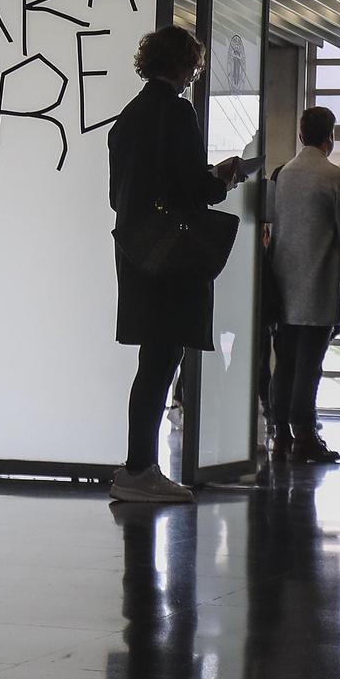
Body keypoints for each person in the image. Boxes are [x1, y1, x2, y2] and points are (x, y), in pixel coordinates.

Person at [106, 26, 242, 504]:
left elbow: (117, 194)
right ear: (185, 65)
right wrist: (221, 181)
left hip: (137, 250)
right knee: (163, 358)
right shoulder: (177, 112)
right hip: (171, 255)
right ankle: (139, 468)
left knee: (154, 357)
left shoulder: (128, 118)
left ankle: (139, 466)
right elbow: (190, 189)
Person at [264, 106, 340, 463]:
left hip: (282, 283)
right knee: (309, 365)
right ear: (330, 137)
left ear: (301, 135)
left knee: (284, 361)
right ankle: (305, 433)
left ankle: (280, 432)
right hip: (319, 282)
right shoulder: (337, 178)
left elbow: (269, 221)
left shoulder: (281, 174)